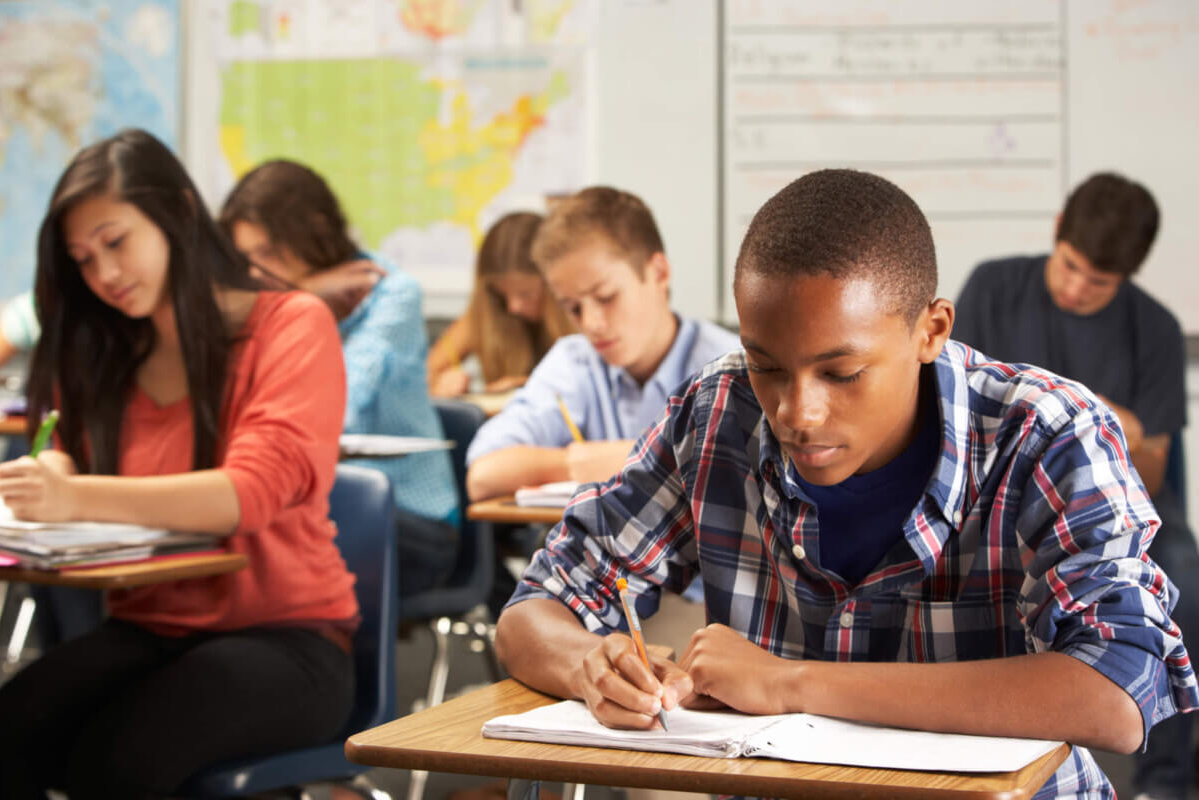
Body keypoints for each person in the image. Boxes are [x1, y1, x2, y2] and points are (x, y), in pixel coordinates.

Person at [493, 169, 1199, 799]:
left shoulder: (1049, 434)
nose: (798, 413)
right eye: (767, 364)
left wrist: (788, 683)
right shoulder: (716, 416)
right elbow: (536, 608)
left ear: (932, 330)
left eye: (842, 373)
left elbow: (1116, 694)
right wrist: (590, 662)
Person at [0, 129, 358, 798]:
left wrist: (75, 497)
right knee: (11, 733)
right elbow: (71, 460)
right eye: (82, 258)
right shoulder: (106, 351)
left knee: (115, 764)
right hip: (149, 629)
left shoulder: (292, 326)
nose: (103, 273)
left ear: (180, 216)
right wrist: (62, 474)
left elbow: (245, 495)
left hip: (289, 641)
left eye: (115, 241)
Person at [954, 171, 1198, 800]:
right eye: (1070, 268)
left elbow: (1149, 473)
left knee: (1180, 573)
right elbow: (956, 415)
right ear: (1057, 231)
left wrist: (1099, 425)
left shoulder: (1158, 329)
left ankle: (1165, 780)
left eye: (1100, 283)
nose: (1078, 289)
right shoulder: (993, 285)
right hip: (1000, 492)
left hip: (1118, 503)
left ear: (1128, 277)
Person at [220, 159, 460, 597]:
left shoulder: (391, 293)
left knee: (275, 539)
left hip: (410, 518)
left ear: (314, 232)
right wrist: (304, 297)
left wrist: (299, 308)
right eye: (245, 259)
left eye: (269, 254)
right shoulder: (263, 304)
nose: (255, 274)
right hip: (315, 506)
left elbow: (333, 411)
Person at [465, 186, 740, 502]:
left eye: (606, 297)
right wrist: (575, 463)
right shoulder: (574, 362)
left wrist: (636, 456)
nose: (592, 324)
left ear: (659, 273)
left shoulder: (730, 367)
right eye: (573, 307)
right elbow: (483, 475)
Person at [427, 211, 574, 398]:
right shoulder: (482, 317)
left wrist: (528, 385)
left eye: (525, 294)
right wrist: (442, 384)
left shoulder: (582, 316)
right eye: (501, 295)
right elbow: (425, 376)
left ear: (554, 284)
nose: (513, 307)